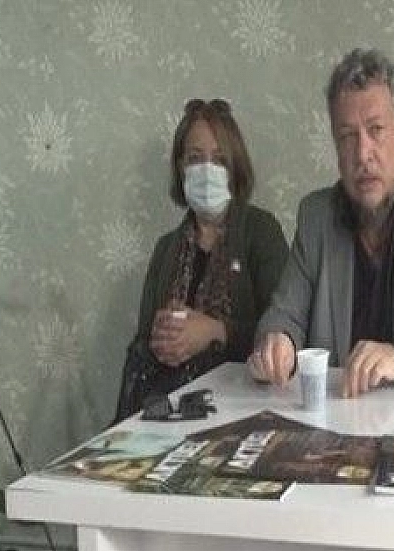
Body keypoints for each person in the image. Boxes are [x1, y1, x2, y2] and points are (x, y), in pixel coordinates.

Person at [248, 48, 394, 398]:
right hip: (336, 414)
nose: (363, 154)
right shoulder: (316, 216)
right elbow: (283, 314)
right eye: (348, 136)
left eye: (376, 130)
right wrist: (279, 342)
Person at [115, 99, 289, 422]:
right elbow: (144, 342)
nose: (207, 170)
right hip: (174, 413)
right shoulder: (166, 248)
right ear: (180, 167)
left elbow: (285, 334)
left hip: (245, 410)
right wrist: (164, 339)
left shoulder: (260, 231)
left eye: (219, 160)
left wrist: (214, 331)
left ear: (234, 167)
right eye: (195, 158)